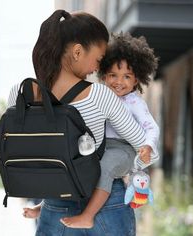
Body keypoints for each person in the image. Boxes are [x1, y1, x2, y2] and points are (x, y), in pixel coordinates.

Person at [8, 10, 147, 236]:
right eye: (99, 59)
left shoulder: (20, 93)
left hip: (55, 206)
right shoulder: (99, 95)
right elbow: (143, 148)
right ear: (77, 51)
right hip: (107, 206)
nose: (97, 68)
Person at [60, 32, 160, 229]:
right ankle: (48, 204)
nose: (119, 81)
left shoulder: (134, 102)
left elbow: (151, 127)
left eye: (127, 76)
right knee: (74, 160)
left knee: (105, 166)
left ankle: (88, 216)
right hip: (102, 146)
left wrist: (147, 146)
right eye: (113, 75)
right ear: (104, 75)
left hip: (125, 150)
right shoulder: (100, 95)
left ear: (136, 80)